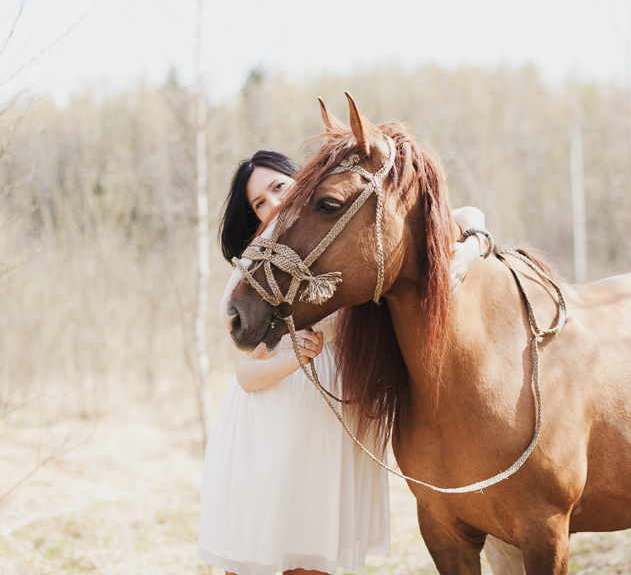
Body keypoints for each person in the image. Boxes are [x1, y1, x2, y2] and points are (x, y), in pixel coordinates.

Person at [197, 150, 490, 575]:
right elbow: (247, 374)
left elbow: (462, 212)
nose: (273, 203)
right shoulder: (261, 267)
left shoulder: (335, 239)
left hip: (331, 428)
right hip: (272, 429)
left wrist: (476, 244)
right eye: (259, 202)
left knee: (316, 557)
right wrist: (298, 354)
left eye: (279, 187)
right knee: (260, 554)